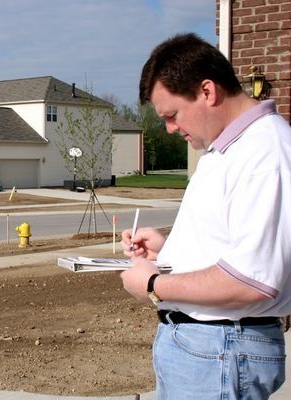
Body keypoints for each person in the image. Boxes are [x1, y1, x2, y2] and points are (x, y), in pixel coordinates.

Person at [119, 33, 290, 399]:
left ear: (207, 92)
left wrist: (153, 286)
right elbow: (236, 247)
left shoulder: (263, 153)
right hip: (211, 348)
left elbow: (254, 280)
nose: (169, 128)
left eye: (172, 115)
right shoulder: (227, 149)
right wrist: (169, 254)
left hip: (222, 348)